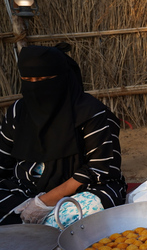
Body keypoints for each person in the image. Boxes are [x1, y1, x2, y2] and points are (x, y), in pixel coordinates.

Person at [0, 44, 127, 227]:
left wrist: (45, 202)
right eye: (28, 79)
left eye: (43, 79)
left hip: (80, 190)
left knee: (81, 213)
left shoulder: (91, 113)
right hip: (25, 190)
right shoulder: (17, 112)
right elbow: (3, 162)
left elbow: (99, 169)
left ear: (62, 78)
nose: (35, 86)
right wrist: (26, 202)